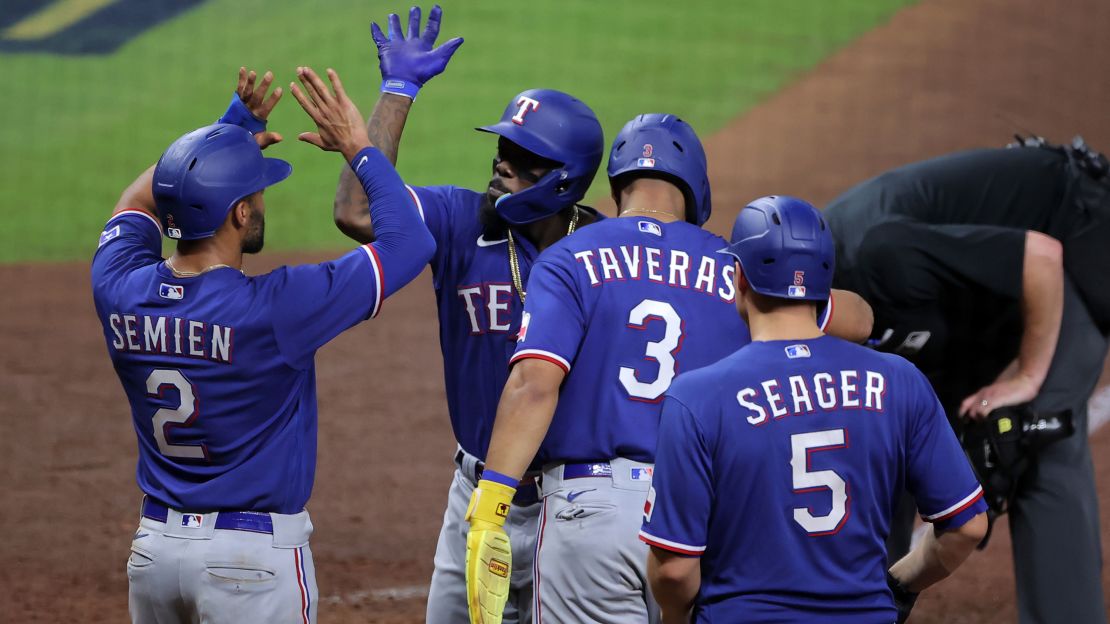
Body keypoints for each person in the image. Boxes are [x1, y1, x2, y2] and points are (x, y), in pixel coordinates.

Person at [464, 115, 874, 624]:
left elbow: (533, 385)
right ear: (696, 186)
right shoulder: (740, 270)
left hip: (592, 513)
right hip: (697, 518)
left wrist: (491, 508)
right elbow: (859, 320)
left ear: (617, 187)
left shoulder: (569, 257)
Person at [91, 65, 434, 624]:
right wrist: (358, 146)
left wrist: (223, 136)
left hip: (154, 554)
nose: (263, 197)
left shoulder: (120, 288)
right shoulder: (277, 309)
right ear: (240, 213)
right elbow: (409, 241)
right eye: (256, 190)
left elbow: (137, 200)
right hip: (249, 563)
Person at [330, 6, 604, 622]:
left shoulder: (605, 254)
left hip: (574, 503)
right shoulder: (458, 222)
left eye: (523, 155)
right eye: (502, 145)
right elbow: (358, 213)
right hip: (477, 494)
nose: (501, 162)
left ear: (564, 181)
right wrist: (397, 93)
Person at [640, 195, 988, 623]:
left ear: (739, 278)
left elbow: (674, 570)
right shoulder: (900, 380)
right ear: (824, 283)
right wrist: (898, 585)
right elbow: (967, 526)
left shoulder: (697, 397)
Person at [822, 138, 1110, 623]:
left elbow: (1040, 259)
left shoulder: (879, 255)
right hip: (970, 294)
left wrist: (1027, 377)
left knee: (1031, 433)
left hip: (1068, 233)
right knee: (884, 437)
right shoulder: (805, 310)